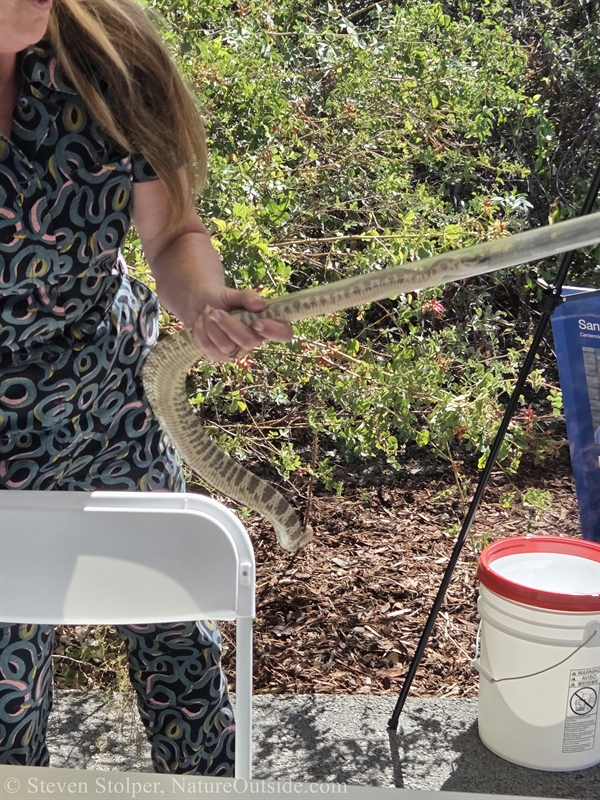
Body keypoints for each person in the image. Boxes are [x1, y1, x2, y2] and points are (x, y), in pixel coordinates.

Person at [0, 0, 291, 773]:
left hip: (110, 404)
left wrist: (201, 304)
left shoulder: (109, 58)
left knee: (176, 626)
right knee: (6, 685)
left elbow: (170, 233)